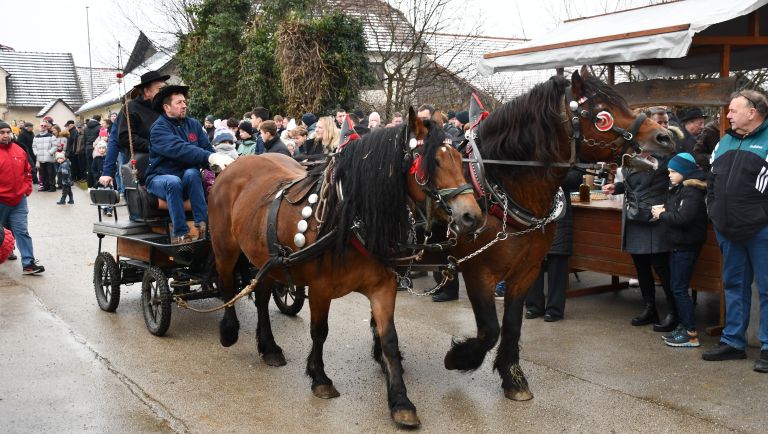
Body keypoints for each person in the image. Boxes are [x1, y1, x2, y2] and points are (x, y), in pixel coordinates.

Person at [702, 90, 768, 372]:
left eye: (733, 110)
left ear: (752, 112)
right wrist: (714, 214)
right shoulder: (725, 141)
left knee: (767, 289)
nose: (728, 115)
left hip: (762, 230)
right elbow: (712, 181)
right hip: (728, 230)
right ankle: (733, 342)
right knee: (734, 286)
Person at [146, 85, 233, 244]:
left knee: (193, 173)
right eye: (179, 102)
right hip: (159, 178)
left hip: (185, 177)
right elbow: (181, 149)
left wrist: (219, 164)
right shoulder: (158, 129)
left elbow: (206, 149)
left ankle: (203, 225)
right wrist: (210, 157)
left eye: (184, 101)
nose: (184, 105)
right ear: (167, 107)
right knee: (173, 182)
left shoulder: (193, 124)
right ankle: (181, 234)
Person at [603, 156, 676, 332]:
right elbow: (632, 184)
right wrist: (617, 187)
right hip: (634, 215)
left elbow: (673, 179)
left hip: (654, 216)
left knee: (661, 266)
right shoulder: (630, 157)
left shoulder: (664, 156)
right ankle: (650, 308)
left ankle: (675, 311)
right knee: (641, 265)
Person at [651, 153, 707, 347]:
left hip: (686, 245)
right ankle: (684, 327)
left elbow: (683, 218)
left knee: (680, 289)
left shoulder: (692, 191)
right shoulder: (680, 189)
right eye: (669, 171)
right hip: (678, 244)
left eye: (674, 171)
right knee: (678, 288)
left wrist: (662, 214)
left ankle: (691, 333)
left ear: (684, 171)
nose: (670, 175)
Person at [524, 170, 581, 321]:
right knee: (533, 262)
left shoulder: (565, 154)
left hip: (559, 217)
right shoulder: (531, 152)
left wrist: (549, 173)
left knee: (557, 262)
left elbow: (576, 178)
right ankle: (533, 306)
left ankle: (554, 310)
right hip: (534, 214)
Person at [100, 70, 169, 189]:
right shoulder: (129, 109)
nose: (165, 93)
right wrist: (107, 172)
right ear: (147, 91)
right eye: (160, 89)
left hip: (167, 165)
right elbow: (117, 140)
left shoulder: (165, 108)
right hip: (140, 168)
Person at [0, 121, 44, 274]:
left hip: (19, 200)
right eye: (2, 132)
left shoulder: (19, 150)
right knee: (2, 232)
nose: (5, 135)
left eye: (7, 132)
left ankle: (28, 263)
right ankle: (6, 251)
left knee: (22, 231)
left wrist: (27, 189)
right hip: (1, 201)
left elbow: (27, 171)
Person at [32, 117, 57, 192]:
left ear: (47, 127)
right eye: (41, 126)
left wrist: (50, 152)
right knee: (43, 174)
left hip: (49, 158)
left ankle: (52, 187)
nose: (43, 127)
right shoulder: (36, 137)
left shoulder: (51, 136)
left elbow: (55, 146)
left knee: (51, 173)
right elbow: (34, 146)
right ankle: (45, 186)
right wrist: (36, 153)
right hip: (40, 158)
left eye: (45, 126)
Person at [82, 115, 102, 187]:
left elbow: (84, 140)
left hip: (88, 148)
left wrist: (85, 148)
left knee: (89, 167)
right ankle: (97, 184)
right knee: (97, 167)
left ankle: (90, 184)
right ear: (99, 120)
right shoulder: (99, 127)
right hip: (96, 148)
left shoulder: (86, 128)